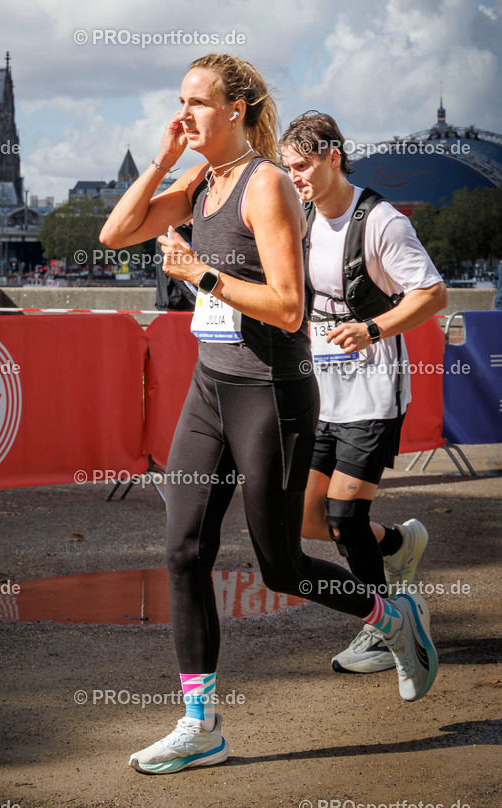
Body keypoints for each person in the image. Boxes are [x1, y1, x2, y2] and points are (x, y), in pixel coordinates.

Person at [100, 55, 437, 775]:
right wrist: (163, 156)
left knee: (280, 567)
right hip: (208, 389)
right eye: (180, 100)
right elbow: (115, 234)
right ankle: (200, 724)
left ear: (237, 109)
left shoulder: (267, 187)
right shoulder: (199, 184)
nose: (183, 112)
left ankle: (390, 616)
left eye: (196, 102)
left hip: (271, 398)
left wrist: (202, 275)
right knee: (183, 550)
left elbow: (287, 308)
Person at [280, 111, 447, 674]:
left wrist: (373, 328)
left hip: (374, 392)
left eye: (302, 166)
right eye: (287, 168)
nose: (295, 177)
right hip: (320, 393)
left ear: (333, 157)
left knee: (344, 516)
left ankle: (383, 629)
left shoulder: (382, 222)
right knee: (306, 519)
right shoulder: (300, 219)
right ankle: (397, 544)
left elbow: (432, 295)